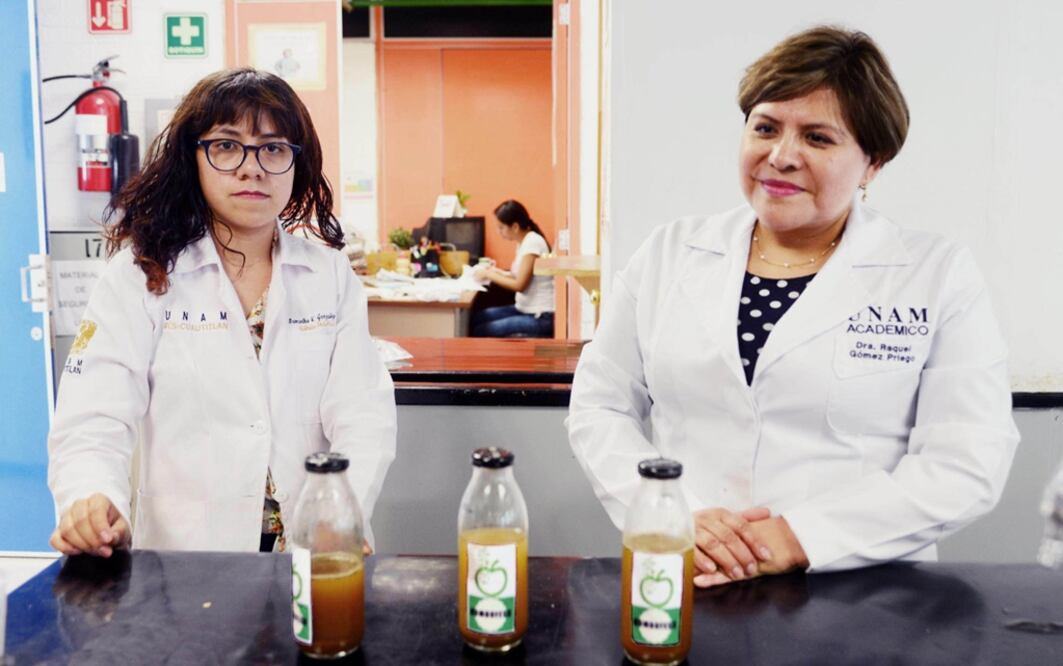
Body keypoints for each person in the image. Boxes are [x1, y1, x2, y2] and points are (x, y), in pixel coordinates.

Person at [566, 26, 1019, 586]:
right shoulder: (669, 253)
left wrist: (798, 535)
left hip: (862, 589)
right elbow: (599, 404)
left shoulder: (935, 274)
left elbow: (967, 460)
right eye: (765, 128)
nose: (780, 156)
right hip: (688, 570)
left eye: (818, 138)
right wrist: (666, 506)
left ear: (873, 162)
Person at [47, 68, 397, 557]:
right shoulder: (141, 274)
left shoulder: (329, 275)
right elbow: (94, 415)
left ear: (298, 163)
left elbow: (363, 414)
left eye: (273, 148)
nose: (252, 168)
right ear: (192, 158)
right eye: (227, 145)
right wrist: (92, 496)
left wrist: (343, 510)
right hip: (186, 558)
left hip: (314, 551)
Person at [471, 199, 555, 337]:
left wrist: (488, 274)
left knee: (481, 330)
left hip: (541, 316)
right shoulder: (523, 242)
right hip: (525, 309)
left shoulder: (533, 243)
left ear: (515, 226)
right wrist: (495, 271)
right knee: (477, 318)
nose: (499, 232)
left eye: (501, 228)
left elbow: (519, 285)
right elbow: (518, 275)